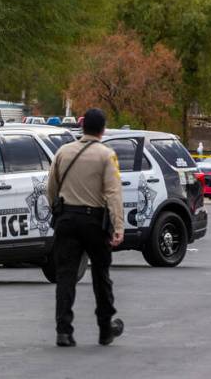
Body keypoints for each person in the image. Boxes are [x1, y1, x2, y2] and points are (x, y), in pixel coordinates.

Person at [47, 108, 125, 347]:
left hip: (67, 220)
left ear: (83, 127)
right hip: (94, 221)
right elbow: (113, 192)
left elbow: (51, 186)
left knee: (66, 276)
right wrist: (118, 226)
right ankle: (105, 329)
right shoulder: (106, 155)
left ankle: (63, 331)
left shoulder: (63, 152)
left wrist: (57, 211)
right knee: (101, 275)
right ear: (103, 129)